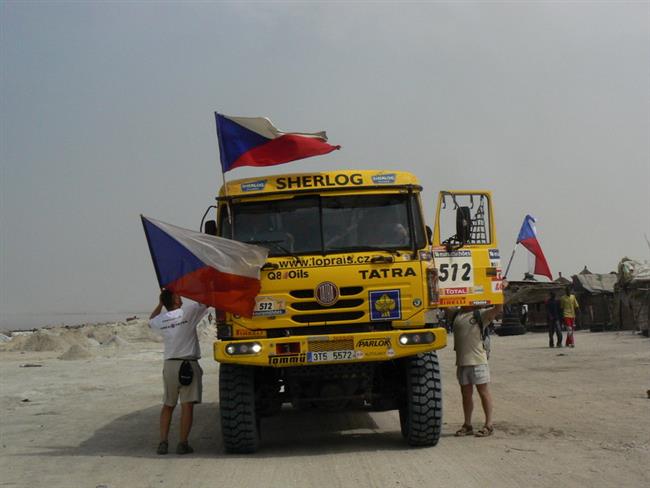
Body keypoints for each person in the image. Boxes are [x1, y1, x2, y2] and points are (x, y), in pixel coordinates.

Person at [149, 289, 209, 455]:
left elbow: (151, 320)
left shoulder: (161, 319)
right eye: (178, 295)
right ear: (175, 300)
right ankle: (182, 444)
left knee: (168, 404)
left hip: (169, 365)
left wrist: (161, 303)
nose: (181, 296)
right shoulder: (188, 312)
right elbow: (207, 300)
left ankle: (163, 442)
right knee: (187, 406)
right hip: (188, 363)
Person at [453, 303, 503, 438]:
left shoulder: (481, 314)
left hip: (478, 361)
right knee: (466, 395)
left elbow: (498, 308)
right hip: (462, 363)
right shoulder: (456, 314)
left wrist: (498, 289)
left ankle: (489, 425)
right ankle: (467, 425)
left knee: (483, 392)